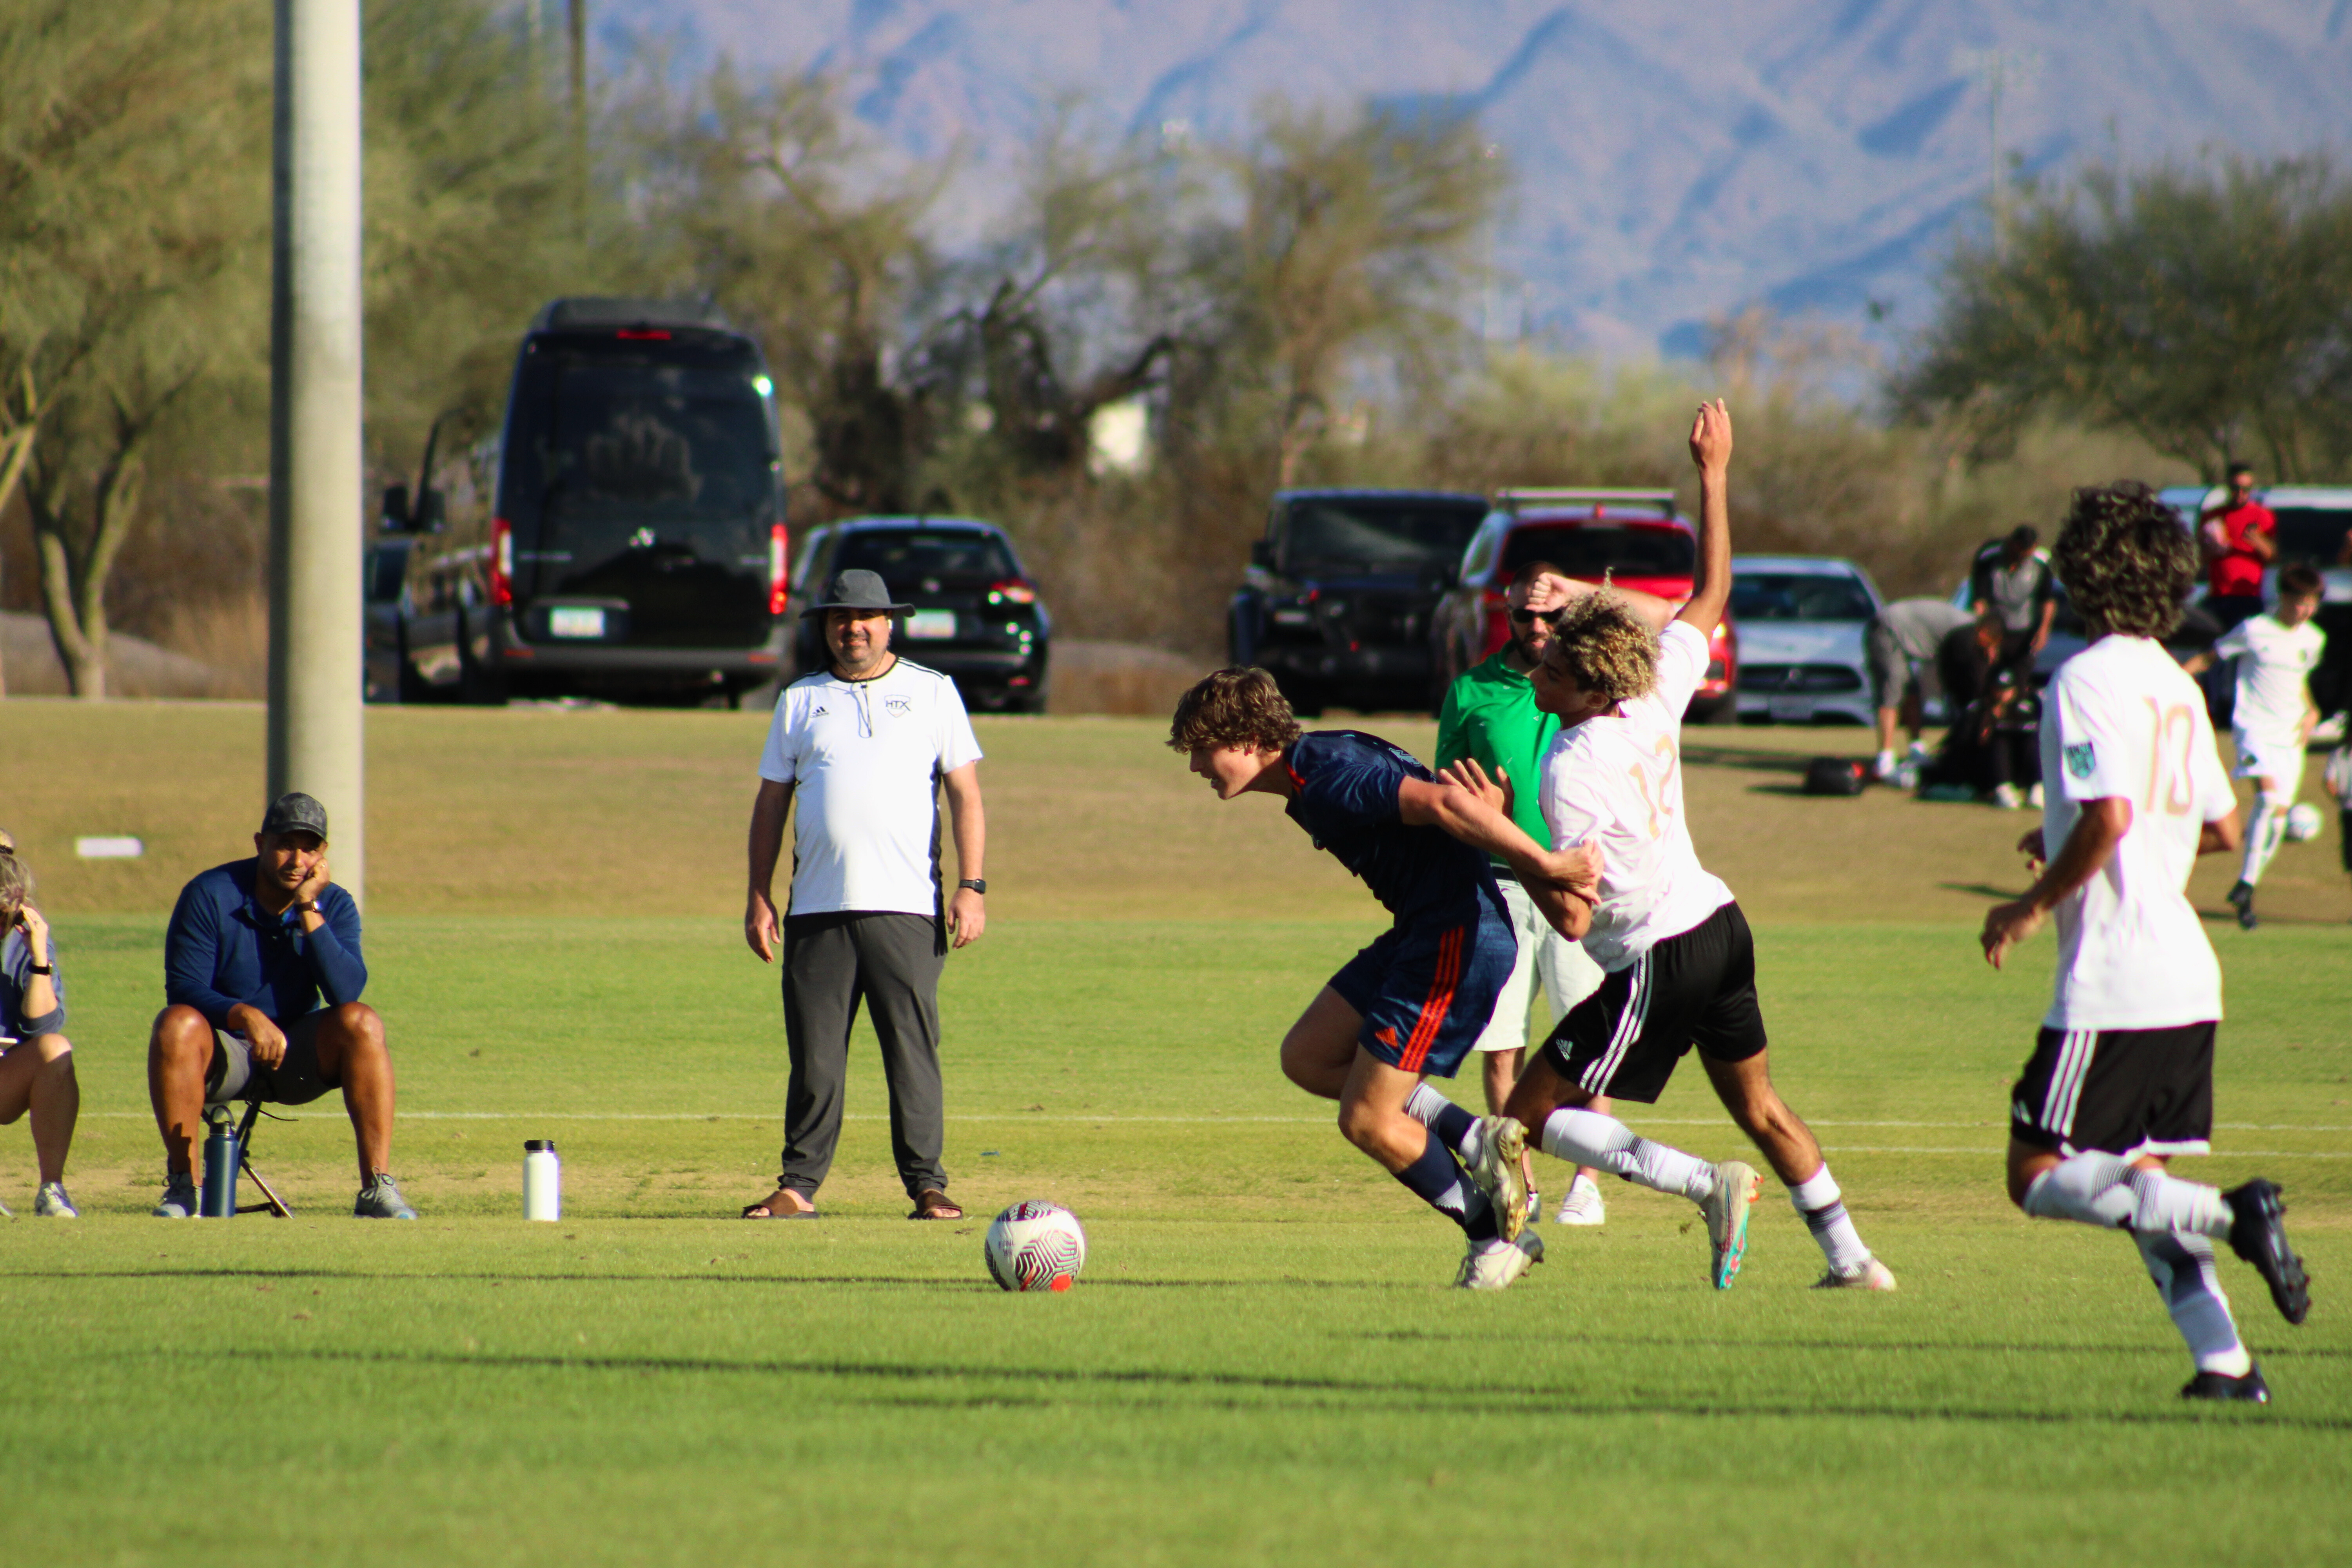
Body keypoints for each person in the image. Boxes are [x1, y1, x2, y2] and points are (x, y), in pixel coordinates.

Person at [1474, 400, 1896, 1293]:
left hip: (1662, 951)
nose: (1534, 669)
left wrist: (1506, 835)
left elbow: (1574, 908)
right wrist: (1714, 476)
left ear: (1585, 685)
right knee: (1759, 1104)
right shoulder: (1652, 693)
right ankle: (1853, 1258)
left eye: (1548, 666)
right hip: (1723, 922)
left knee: (1524, 1110)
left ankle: (1706, 1185)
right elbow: (1710, 596)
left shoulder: (1571, 770)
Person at [1980, 481, 2307, 1404]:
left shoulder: (2084, 676)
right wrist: (2071, 836)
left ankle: (2233, 1212)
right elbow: (2220, 829)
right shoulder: (2174, 680)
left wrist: (2030, 902)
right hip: (2189, 976)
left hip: (2115, 975)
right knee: (2136, 1181)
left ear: (2083, 572)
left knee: (2035, 1171)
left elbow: (2113, 814)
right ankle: (2225, 1363)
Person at [1168, 666, 1599, 1289]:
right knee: (1309, 1057)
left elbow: (1447, 803)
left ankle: (1494, 1240)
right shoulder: (1317, 757)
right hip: (1422, 933)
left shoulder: (1326, 778)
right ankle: (1474, 1138)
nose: (1195, 768)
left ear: (1242, 739)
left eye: (1201, 751)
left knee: (1368, 1120)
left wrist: (1548, 863)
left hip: (1456, 936)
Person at [741, 569, 986, 1222]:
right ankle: (798, 1188)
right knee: (815, 1060)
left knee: (912, 1053)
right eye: (840, 618)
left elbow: (965, 793)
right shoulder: (799, 700)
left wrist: (972, 886)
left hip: (907, 908)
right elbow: (771, 802)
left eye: (866, 618)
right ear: (826, 626)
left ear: (889, 623)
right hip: (817, 910)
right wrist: (758, 896)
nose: (853, 629)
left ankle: (928, 1187)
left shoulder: (934, 693)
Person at [1433, 559, 1611, 1227]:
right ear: (1504, 617)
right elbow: (1446, 790)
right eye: (1522, 617)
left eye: (1549, 616)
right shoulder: (1472, 690)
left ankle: (1587, 1184)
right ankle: (1521, 1185)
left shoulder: (1596, 684)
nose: (1536, 627)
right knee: (1502, 1044)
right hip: (1499, 886)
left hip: (1577, 887)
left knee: (1589, 1038)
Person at [149, 793, 412, 1219]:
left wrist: (309, 908)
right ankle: (185, 1187)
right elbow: (184, 988)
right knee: (175, 1023)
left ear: (322, 854)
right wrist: (244, 1015)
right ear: (260, 843)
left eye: (309, 848)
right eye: (285, 845)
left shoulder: (335, 903)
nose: (296, 859)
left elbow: (346, 993)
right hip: (223, 1051)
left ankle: (377, 1188)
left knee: (363, 1022)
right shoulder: (209, 893)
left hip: (298, 1059)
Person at [2183, 563, 2327, 929]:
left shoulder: (2314, 640)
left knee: (2278, 817)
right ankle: (2247, 884)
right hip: (2254, 730)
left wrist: (2312, 711)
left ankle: (2247, 887)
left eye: (2313, 604)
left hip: (2291, 735)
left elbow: (2300, 681)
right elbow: (2210, 658)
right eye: (2302, 603)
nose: (2307, 611)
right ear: (2284, 597)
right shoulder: (2254, 630)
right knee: (2267, 797)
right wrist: (2177, 679)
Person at [0, 835, 80, 1218]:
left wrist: (37, 955)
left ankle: (52, 1188)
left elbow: (42, 1027)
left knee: (55, 1050)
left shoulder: (25, 938)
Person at [1867, 596, 1973, 783]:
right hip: (1887, 629)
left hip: (1906, 635)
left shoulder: (1967, 627)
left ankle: (1916, 748)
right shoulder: (1966, 634)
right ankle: (1885, 759)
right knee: (1892, 689)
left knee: (1913, 692)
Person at [2197, 460, 2276, 633]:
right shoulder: (2213, 516)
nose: (2240, 494)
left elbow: (2274, 558)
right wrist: (2212, 550)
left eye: (2246, 489)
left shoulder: (2263, 516)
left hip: (2249, 596)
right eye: (2235, 488)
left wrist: (2258, 542)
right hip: (2219, 596)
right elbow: (2197, 559)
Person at [1967, 525, 2057, 672]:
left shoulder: (2042, 562)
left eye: (2027, 556)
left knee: (2019, 679)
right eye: (2019, 555)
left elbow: (2047, 600)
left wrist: (2044, 630)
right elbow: (1980, 601)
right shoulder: (1989, 556)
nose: (2022, 560)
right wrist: (1986, 637)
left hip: (2024, 632)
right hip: (1995, 629)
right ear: (2012, 544)